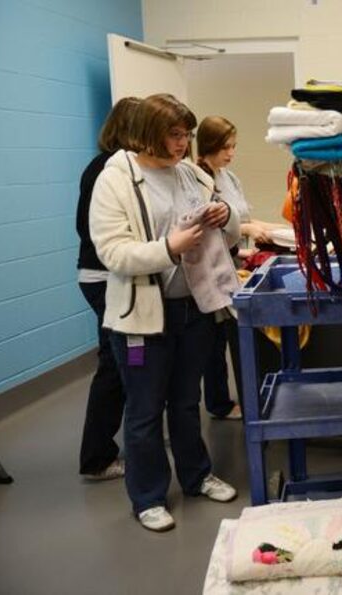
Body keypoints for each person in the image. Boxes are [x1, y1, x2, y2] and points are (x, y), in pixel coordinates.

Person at [89, 94, 240, 531]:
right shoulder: (114, 179)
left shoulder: (189, 173)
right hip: (142, 320)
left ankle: (196, 476)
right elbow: (113, 252)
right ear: (148, 133)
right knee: (144, 409)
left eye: (186, 135)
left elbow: (226, 228)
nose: (183, 143)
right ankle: (148, 497)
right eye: (175, 134)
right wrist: (168, 249)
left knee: (187, 402)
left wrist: (223, 212)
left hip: (192, 309)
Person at [195, 116, 288, 420]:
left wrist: (278, 230)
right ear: (209, 145)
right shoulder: (198, 178)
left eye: (233, 146)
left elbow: (244, 217)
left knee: (227, 335)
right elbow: (218, 225)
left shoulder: (229, 177)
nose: (231, 153)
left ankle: (234, 399)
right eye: (225, 147)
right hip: (212, 268)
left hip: (235, 261)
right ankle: (219, 403)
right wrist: (248, 231)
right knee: (214, 341)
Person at [76, 96, 140, 481]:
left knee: (125, 362)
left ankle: (136, 435)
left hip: (105, 276)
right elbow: (95, 232)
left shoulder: (113, 166)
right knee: (117, 366)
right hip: (104, 278)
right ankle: (97, 457)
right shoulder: (107, 170)